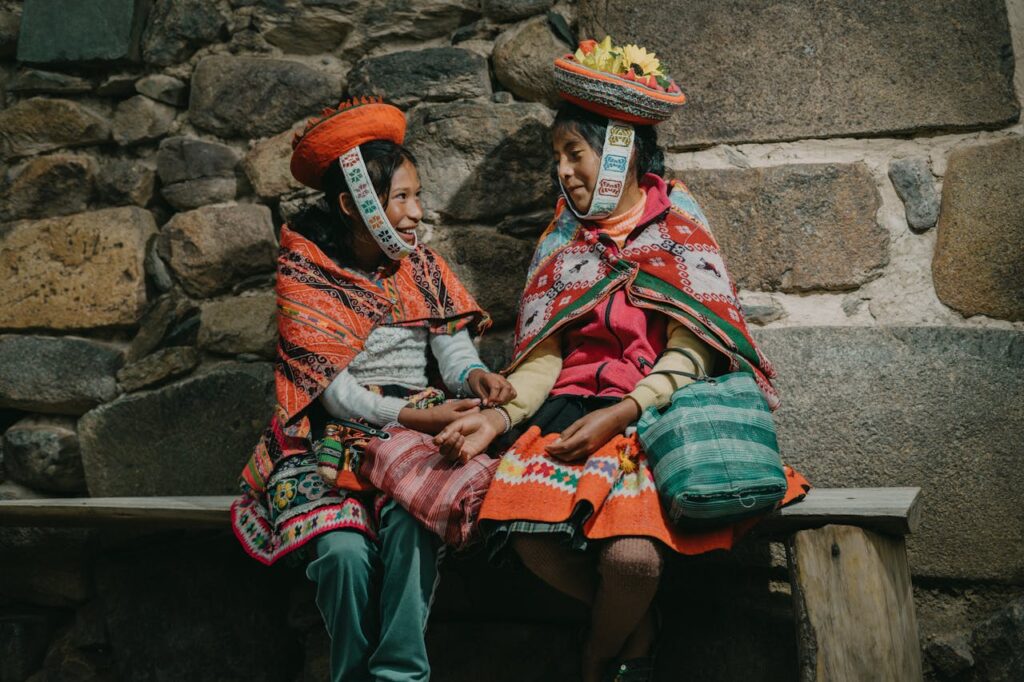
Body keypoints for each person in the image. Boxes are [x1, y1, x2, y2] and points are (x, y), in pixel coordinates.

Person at [434, 38, 809, 682]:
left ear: (618, 151)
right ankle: (636, 631)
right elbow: (543, 357)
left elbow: (694, 352)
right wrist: (496, 422)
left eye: (573, 154)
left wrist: (625, 411)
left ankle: (598, 653)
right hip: (564, 415)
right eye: (557, 158)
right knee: (530, 538)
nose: (563, 172)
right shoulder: (563, 239)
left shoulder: (679, 229)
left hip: (645, 419)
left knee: (633, 562)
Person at [230, 96, 515, 682]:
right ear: (353, 203)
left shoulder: (423, 267)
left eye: (417, 195)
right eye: (401, 198)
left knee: (416, 524)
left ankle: (399, 674)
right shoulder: (306, 273)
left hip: (412, 428)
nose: (415, 213)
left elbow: (450, 348)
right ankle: (351, 672)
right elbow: (337, 396)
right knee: (341, 553)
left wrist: (473, 376)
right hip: (328, 438)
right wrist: (420, 418)